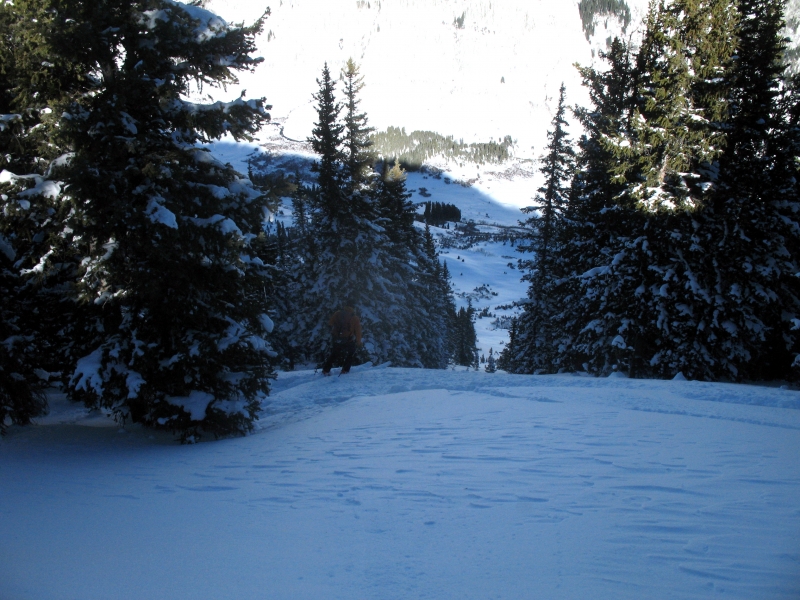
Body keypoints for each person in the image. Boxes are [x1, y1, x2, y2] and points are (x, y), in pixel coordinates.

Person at [321, 305, 362, 376]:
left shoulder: (337, 313)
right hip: (348, 339)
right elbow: (358, 332)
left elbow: (330, 323)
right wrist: (359, 342)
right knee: (350, 353)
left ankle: (325, 370)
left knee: (334, 354)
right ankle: (345, 370)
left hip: (336, 338)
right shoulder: (355, 318)